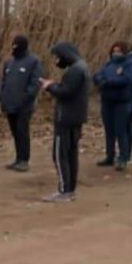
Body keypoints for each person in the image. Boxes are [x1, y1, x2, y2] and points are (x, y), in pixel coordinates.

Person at [39, 42, 91, 203]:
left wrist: (50, 86)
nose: (56, 60)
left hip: (66, 118)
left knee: (60, 155)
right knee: (71, 154)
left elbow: (66, 92)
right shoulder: (82, 67)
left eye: (58, 56)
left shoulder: (75, 70)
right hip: (76, 117)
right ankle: (69, 189)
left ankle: (64, 190)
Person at [0, 35, 43, 172]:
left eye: (17, 46)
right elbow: (4, 81)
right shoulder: (9, 63)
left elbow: (34, 84)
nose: (14, 48)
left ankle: (24, 160)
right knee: (15, 132)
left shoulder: (33, 61)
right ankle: (18, 158)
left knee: (22, 131)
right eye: (13, 45)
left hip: (24, 105)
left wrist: (25, 98)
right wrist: (1, 95)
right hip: (9, 104)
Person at [93, 42, 132, 171]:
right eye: (114, 51)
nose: (115, 53)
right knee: (109, 130)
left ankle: (123, 157)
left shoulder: (129, 65)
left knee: (120, 131)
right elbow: (97, 76)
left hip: (122, 102)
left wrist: (109, 81)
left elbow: (126, 80)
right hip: (107, 101)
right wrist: (102, 80)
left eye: (119, 51)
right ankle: (109, 156)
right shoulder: (108, 64)